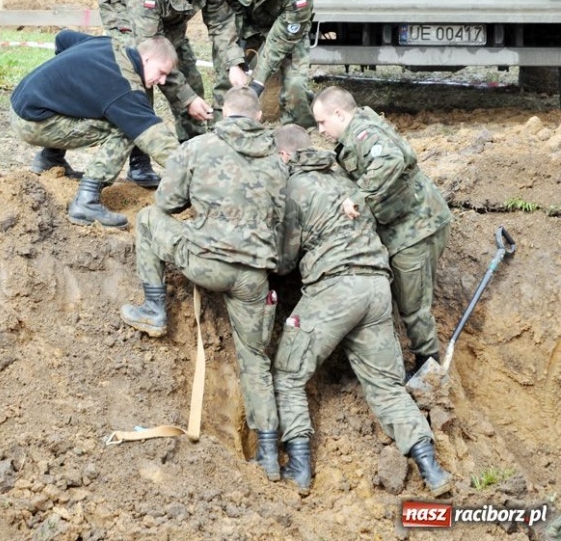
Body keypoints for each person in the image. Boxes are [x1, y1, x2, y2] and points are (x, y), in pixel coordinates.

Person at [272, 124, 452, 498]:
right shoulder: (345, 178)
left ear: (285, 156)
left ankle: (300, 469)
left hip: (335, 290)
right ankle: (432, 470)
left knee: (289, 375)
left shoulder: (293, 187)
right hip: (376, 288)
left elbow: (285, 260)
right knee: (387, 388)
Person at [120, 86, 288, 480]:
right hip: (253, 277)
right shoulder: (279, 162)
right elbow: (280, 219)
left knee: (146, 221)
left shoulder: (198, 148)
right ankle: (267, 455)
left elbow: (165, 204)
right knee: (256, 362)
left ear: (221, 114)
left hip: (206, 263)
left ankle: (154, 308)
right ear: (259, 118)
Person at [311, 86, 452, 379]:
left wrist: (359, 197)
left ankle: (429, 373)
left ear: (339, 113)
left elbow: (390, 159)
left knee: (414, 308)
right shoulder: (355, 134)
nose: (319, 129)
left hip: (416, 230)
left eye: (322, 122)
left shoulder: (364, 134)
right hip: (403, 227)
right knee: (404, 302)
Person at [98, 0, 247, 188]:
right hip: (127, 21)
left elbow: (220, 20)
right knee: (142, 87)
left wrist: (234, 62)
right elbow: (149, 46)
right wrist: (186, 98)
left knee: (191, 80)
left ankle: (193, 158)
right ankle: (139, 163)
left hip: (170, 26)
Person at [10, 30, 180, 229]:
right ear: (148, 58)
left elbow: (63, 38)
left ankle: (50, 159)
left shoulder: (109, 44)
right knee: (124, 129)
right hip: (33, 123)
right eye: (161, 73)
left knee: (92, 102)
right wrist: (193, 171)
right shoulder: (124, 85)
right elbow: (155, 138)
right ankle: (87, 201)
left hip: (21, 103)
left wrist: (64, 82)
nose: (161, 81)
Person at [221, 0, 315, 128]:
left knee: (296, 87)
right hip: (246, 24)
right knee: (225, 74)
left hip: (287, 30)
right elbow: (225, 16)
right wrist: (234, 60)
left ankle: (297, 133)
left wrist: (257, 83)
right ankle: (222, 126)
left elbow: (279, 41)